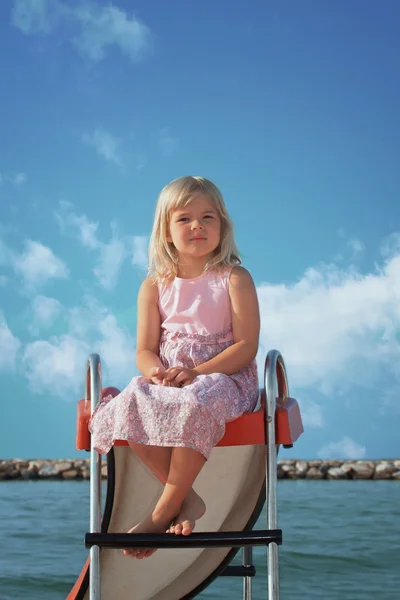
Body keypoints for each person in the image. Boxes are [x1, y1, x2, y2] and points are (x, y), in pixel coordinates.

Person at [89, 175, 260, 559]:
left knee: (193, 402)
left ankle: (163, 509)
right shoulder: (154, 285)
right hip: (172, 376)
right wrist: (156, 373)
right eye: (184, 219)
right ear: (166, 231)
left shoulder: (234, 278)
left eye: (207, 217)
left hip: (225, 377)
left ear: (222, 226)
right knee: (128, 403)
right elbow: (145, 350)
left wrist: (198, 373)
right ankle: (188, 498)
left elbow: (246, 347)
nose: (197, 226)